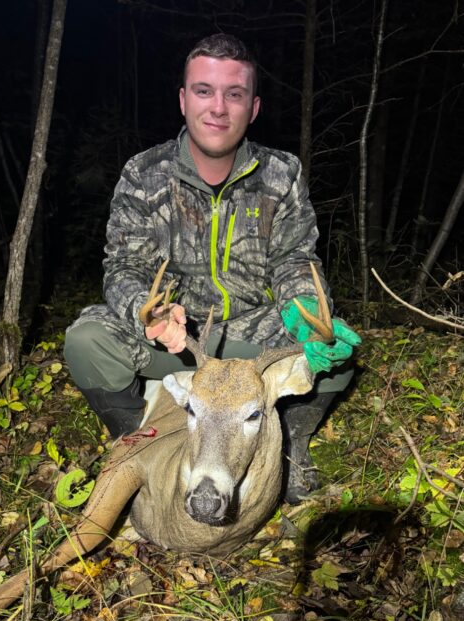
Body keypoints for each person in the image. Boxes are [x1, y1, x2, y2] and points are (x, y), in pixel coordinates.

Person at [64, 33, 361, 504]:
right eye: (204, 91)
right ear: (184, 100)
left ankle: (288, 447)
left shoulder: (281, 174)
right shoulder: (144, 173)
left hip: (251, 339)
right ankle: (139, 442)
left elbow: (295, 259)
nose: (218, 108)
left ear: (253, 108)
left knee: (334, 349)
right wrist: (150, 312)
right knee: (87, 341)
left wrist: (303, 311)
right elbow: (123, 267)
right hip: (181, 342)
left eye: (234, 94)